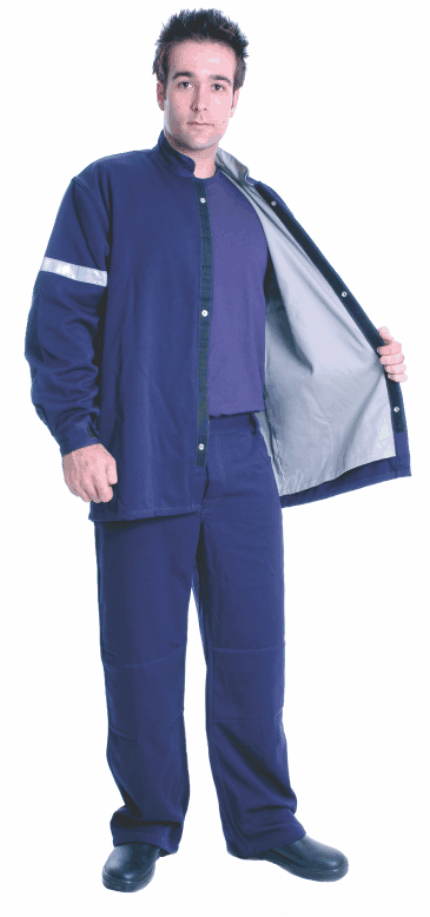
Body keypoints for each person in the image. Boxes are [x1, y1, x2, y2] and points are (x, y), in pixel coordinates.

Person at [24, 7, 410, 894]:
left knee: (252, 651)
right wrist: (77, 433)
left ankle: (266, 822)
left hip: (240, 461)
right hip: (139, 452)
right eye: (186, 82)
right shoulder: (104, 188)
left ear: (238, 99)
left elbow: (296, 321)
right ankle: (146, 826)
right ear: (159, 88)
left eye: (219, 85)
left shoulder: (251, 203)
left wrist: (372, 353)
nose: (202, 100)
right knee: (141, 655)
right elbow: (60, 322)